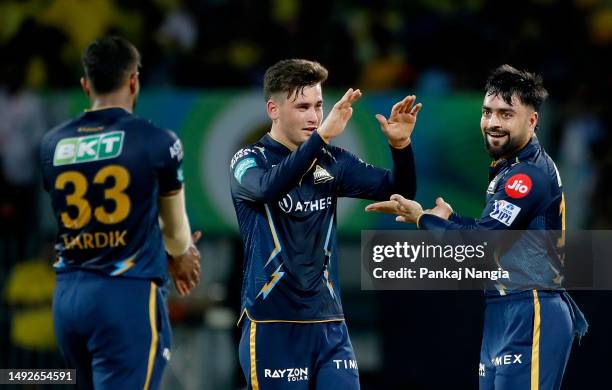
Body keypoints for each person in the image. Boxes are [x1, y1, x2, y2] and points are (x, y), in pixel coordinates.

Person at [366, 64, 588, 390]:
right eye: (488, 112)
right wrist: (446, 219)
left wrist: (424, 220)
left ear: (532, 120)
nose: (493, 123)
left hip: (531, 310)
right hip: (504, 309)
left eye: (506, 114)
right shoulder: (508, 169)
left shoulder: (527, 175)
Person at [230, 58, 420, 389]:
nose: (314, 116)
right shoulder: (248, 161)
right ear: (273, 109)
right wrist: (322, 137)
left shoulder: (333, 162)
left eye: (318, 105)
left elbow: (399, 191)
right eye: (302, 106)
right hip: (273, 323)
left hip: (330, 324)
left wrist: (400, 146)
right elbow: (267, 188)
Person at [39, 36, 201, 389]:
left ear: (86, 85)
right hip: (124, 296)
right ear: (133, 80)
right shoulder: (158, 141)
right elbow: (175, 230)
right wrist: (181, 253)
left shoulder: (53, 144)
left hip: (68, 299)